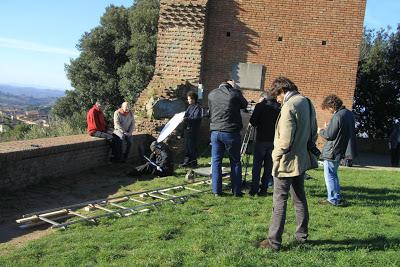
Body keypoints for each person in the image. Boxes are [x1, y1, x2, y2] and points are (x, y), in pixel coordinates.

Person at [259, 76, 317, 251]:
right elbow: (313, 133)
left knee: (279, 201)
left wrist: (275, 157)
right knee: (299, 199)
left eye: (277, 95)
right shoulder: (307, 102)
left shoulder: (289, 105)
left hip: (286, 162)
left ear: (282, 90)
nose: (277, 99)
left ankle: (273, 242)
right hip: (301, 160)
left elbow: (284, 141)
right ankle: (301, 236)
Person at [208, 79, 248, 197]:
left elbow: (211, 111)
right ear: (230, 84)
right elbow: (244, 104)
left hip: (215, 132)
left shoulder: (212, 94)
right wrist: (235, 88)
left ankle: (216, 191)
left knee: (216, 161)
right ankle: (236, 191)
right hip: (230, 132)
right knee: (235, 161)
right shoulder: (234, 93)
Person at [318, 94, 355, 206]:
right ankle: (336, 196)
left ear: (331, 106)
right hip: (341, 149)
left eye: (328, 108)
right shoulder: (348, 113)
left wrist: (321, 130)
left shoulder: (337, 115)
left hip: (332, 150)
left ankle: (333, 199)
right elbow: (340, 130)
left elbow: (330, 135)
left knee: (329, 175)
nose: (329, 111)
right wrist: (330, 126)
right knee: (333, 174)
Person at [249, 91, 280, 196]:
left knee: (257, 166)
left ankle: (254, 189)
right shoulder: (279, 107)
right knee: (268, 167)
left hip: (261, 139)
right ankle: (264, 190)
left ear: (264, 97)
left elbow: (253, 122)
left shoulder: (260, 106)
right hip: (273, 141)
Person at [182, 91, 203, 168]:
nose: (188, 100)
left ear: (193, 99)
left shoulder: (198, 107)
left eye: (189, 99)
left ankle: (193, 163)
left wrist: (187, 119)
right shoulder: (189, 107)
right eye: (188, 99)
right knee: (187, 146)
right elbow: (186, 115)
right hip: (188, 129)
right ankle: (187, 161)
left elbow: (196, 118)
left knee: (192, 147)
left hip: (193, 130)